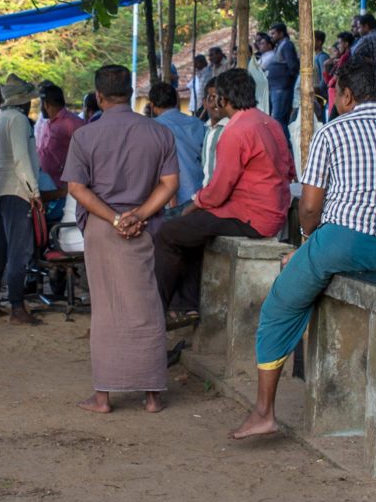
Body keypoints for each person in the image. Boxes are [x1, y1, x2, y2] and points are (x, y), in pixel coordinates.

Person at [229, 61, 376, 439]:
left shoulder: (333, 132)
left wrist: (307, 243)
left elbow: (311, 207)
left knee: (278, 306)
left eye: (339, 95)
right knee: (302, 267)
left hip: (343, 241)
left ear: (346, 95)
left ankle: (264, 411)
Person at [63, 64, 181, 413]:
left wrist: (114, 217)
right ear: (131, 93)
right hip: (141, 227)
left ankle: (103, 396)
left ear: (98, 97)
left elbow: (76, 188)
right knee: (145, 304)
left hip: (103, 228)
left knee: (107, 308)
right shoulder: (159, 133)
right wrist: (139, 215)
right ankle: (152, 395)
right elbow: (170, 184)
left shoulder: (85, 136)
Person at [154, 68, 292, 323]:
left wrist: (193, 206)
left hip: (250, 217)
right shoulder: (269, 122)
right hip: (270, 212)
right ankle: (187, 304)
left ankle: (156, 312)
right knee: (189, 229)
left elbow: (217, 193)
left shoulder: (237, 131)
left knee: (167, 232)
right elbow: (290, 169)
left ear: (222, 100)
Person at [0, 81, 41, 325]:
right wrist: (34, 191)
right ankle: (17, 306)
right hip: (17, 190)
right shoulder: (19, 120)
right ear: (22, 101)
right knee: (19, 251)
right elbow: (22, 159)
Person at [147, 81, 206, 205]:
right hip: (199, 194)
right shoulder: (198, 124)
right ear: (177, 101)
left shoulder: (152, 128)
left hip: (166, 200)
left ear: (152, 105)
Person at [37, 84, 85, 186]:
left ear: (46, 104)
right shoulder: (48, 122)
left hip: (63, 188)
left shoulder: (72, 122)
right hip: (46, 185)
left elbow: (86, 152)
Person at [264, 22, 299, 134]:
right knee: (278, 118)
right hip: (277, 88)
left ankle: (285, 146)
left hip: (282, 88)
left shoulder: (287, 45)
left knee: (280, 118)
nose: (271, 36)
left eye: (273, 33)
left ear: (281, 33)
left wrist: (288, 81)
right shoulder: (281, 46)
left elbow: (293, 66)